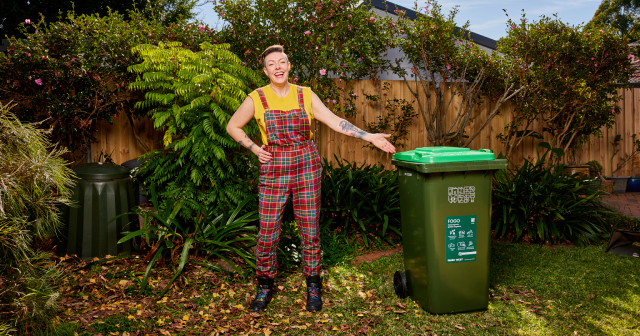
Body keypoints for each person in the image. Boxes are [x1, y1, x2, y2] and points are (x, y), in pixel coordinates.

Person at [226, 45, 396, 313]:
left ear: (289, 65)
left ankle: (313, 286)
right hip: (274, 166)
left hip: (306, 163)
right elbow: (232, 126)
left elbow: (334, 121)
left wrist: (370, 136)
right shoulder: (257, 98)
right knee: (268, 232)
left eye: (282, 62)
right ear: (265, 70)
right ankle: (264, 286)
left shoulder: (305, 94)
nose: (278, 67)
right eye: (272, 64)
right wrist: (255, 148)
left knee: (310, 229)